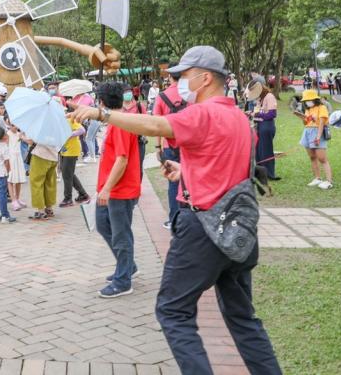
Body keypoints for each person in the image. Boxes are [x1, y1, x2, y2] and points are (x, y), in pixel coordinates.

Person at [71, 46, 282, 374]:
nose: (179, 83)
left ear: (206, 77)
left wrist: (103, 114)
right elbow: (231, 167)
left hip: (203, 228)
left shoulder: (203, 112)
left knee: (173, 311)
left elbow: (156, 126)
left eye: (184, 76)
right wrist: (186, 173)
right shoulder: (238, 117)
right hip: (240, 230)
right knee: (243, 318)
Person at [87, 82, 141, 298]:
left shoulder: (120, 124)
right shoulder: (118, 121)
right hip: (110, 189)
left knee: (121, 235)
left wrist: (107, 188)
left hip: (120, 190)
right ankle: (127, 266)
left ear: (101, 102)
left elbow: (122, 159)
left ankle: (123, 280)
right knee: (103, 225)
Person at [152, 66, 187, 228]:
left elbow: (156, 125)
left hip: (169, 146)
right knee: (190, 179)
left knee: (173, 183)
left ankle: (174, 219)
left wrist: (158, 147)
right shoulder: (190, 94)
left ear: (170, 76)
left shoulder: (162, 96)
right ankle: (189, 216)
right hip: (189, 145)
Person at [295, 90, 333, 190]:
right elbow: (306, 123)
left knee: (322, 158)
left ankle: (329, 181)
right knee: (312, 157)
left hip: (317, 132)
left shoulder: (322, 107)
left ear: (314, 99)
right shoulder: (308, 109)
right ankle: (317, 178)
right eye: (305, 100)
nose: (307, 102)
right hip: (307, 132)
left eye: (308, 100)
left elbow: (321, 123)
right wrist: (302, 117)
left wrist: (318, 137)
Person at [58, 104, 90, 207]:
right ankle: (83, 194)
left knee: (67, 175)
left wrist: (70, 134)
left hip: (72, 150)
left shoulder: (69, 119)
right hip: (64, 150)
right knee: (67, 173)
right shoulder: (58, 122)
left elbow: (82, 130)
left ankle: (68, 199)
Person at [251, 78, 280, 181]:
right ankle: (259, 173)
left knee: (266, 151)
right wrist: (252, 114)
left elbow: (272, 114)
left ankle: (269, 174)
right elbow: (258, 112)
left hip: (267, 126)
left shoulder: (269, 96)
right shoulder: (261, 99)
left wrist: (258, 114)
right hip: (259, 125)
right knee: (258, 151)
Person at [27, 135, 59, 220]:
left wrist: (22, 137)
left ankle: (41, 211)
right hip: (53, 157)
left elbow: (31, 140)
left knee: (36, 182)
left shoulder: (42, 126)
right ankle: (49, 208)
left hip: (40, 156)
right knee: (50, 183)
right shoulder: (58, 127)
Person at [5, 121, 28, 211]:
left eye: (16, 125)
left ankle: (17, 198)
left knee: (18, 179)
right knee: (10, 179)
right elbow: (5, 147)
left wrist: (24, 134)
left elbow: (28, 141)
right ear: (9, 125)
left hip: (18, 158)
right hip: (11, 158)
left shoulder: (19, 134)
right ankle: (13, 200)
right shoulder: (7, 134)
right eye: (12, 125)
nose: (15, 127)